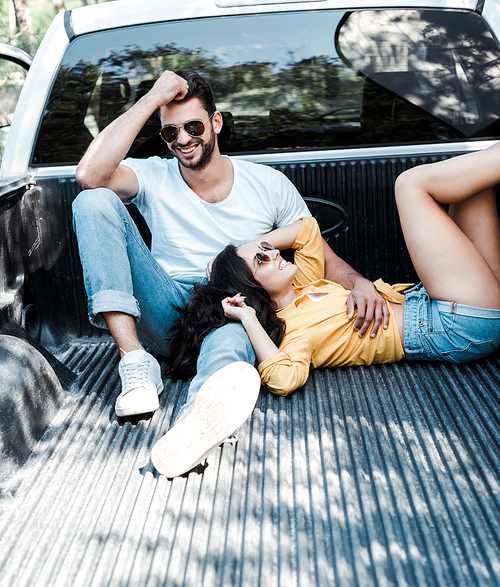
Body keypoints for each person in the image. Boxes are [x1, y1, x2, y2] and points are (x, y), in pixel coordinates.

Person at [151, 142, 500, 477]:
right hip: (454, 324)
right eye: (262, 260)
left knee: (472, 187)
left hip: (433, 302)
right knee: (410, 184)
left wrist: (236, 252)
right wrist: (247, 317)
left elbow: (306, 230)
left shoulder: (304, 283)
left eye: (268, 247)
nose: (273, 253)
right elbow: (284, 378)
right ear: (251, 290)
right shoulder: (294, 331)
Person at [72, 69, 387, 423]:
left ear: (216, 122)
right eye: (170, 132)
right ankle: (134, 363)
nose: (183, 139)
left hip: (237, 312)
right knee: (91, 201)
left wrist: (361, 284)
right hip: (169, 310)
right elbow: (89, 176)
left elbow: (321, 254)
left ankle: (199, 420)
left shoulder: (267, 184)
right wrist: (152, 99)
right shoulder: (153, 175)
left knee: (232, 340)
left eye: (193, 127)